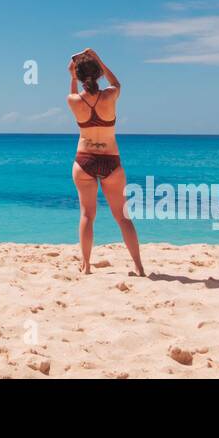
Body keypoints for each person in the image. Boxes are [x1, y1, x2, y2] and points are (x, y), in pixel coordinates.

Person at [67, 48, 143, 276]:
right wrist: (99, 59)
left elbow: (73, 93)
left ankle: (86, 265)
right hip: (111, 161)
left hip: (84, 161)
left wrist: (72, 76)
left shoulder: (73, 100)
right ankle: (139, 267)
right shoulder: (110, 95)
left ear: (79, 77)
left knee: (87, 215)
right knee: (122, 217)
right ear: (98, 74)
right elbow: (116, 82)